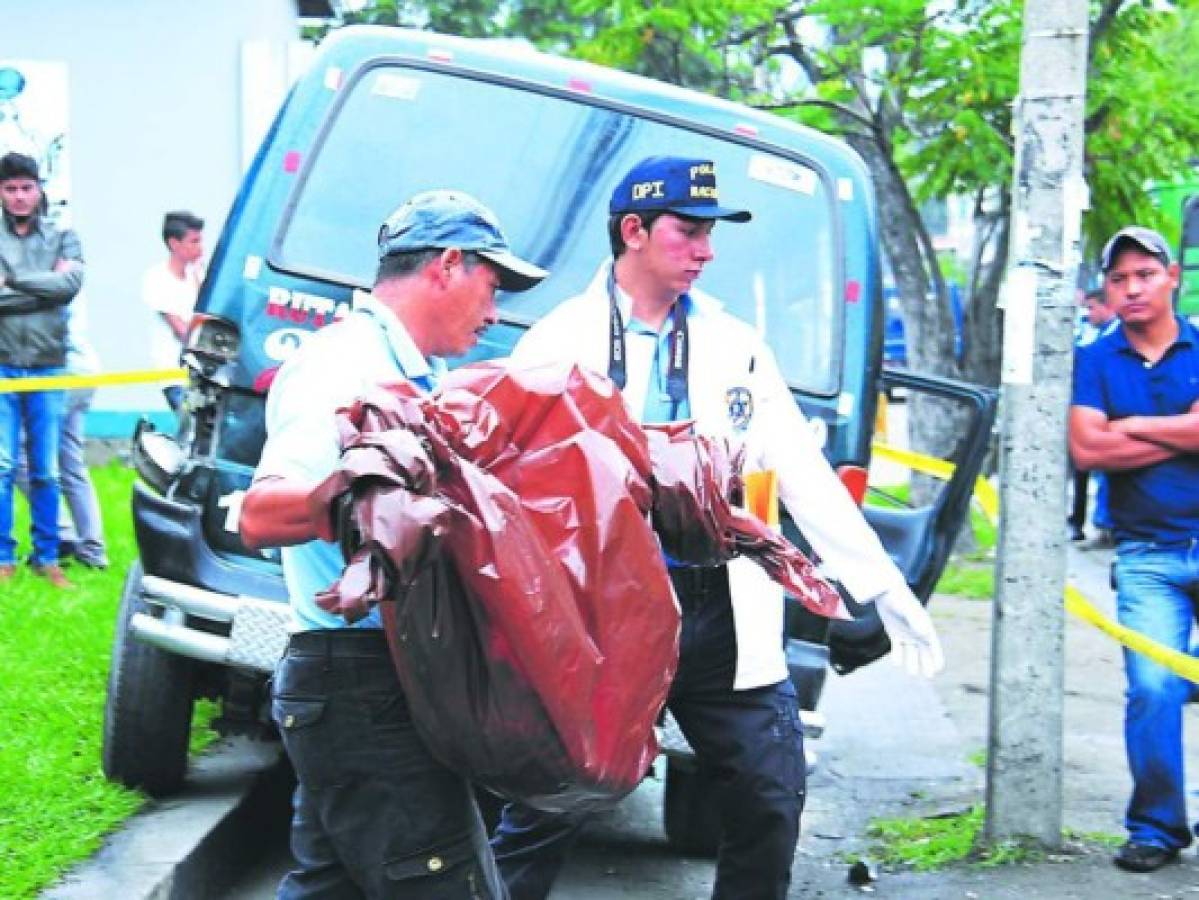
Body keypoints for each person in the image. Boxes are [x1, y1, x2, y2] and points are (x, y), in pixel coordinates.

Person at [493, 156, 945, 900]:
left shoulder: (734, 344)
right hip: (607, 615)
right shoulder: (558, 342)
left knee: (770, 798)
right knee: (549, 806)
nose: (705, 249)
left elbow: (801, 470)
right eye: (688, 231)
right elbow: (512, 488)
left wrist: (878, 587)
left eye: (710, 233)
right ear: (633, 231)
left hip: (719, 612)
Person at [239, 189, 546, 899]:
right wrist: (365, 498)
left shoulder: (410, 372)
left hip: (367, 680)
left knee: (329, 886)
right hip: (361, 679)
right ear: (446, 265)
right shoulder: (346, 369)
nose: (494, 312)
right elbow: (260, 515)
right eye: (490, 286)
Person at [1069, 225, 1199, 874]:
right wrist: (1184, 431)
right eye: (1117, 279)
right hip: (1146, 552)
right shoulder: (1093, 359)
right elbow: (1087, 450)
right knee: (1150, 687)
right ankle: (1155, 827)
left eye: (1142, 274)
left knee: (1172, 681)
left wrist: (1135, 426)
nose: (1130, 288)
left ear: (1170, 275)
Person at [0, 151, 82, 588]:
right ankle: (3, 557)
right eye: (10, 188)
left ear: (39, 189)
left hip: (50, 366)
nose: (18, 196)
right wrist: (43, 286)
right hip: (3, 367)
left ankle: (47, 557)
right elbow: (53, 288)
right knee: (2, 465)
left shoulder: (62, 235)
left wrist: (12, 282)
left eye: (25, 187)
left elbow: (69, 286)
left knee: (46, 469)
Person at [14, 292, 109, 569]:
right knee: (70, 461)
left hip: (60, 372)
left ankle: (62, 532)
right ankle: (92, 548)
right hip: (83, 369)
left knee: (22, 452)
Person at [141, 210, 204, 412]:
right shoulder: (157, 278)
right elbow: (181, 329)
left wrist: (197, 275)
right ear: (174, 244)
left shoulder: (197, 274)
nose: (200, 248)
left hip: (201, 373)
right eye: (193, 241)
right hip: (173, 372)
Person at [1068, 287, 1116, 542]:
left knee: (1103, 472)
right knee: (1083, 470)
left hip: (1106, 416)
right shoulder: (1090, 333)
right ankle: (1081, 521)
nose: (1088, 314)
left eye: (1092, 308)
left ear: (1107, 307)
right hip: (1088, 414)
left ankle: (1104, 524)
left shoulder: (1114, 337)